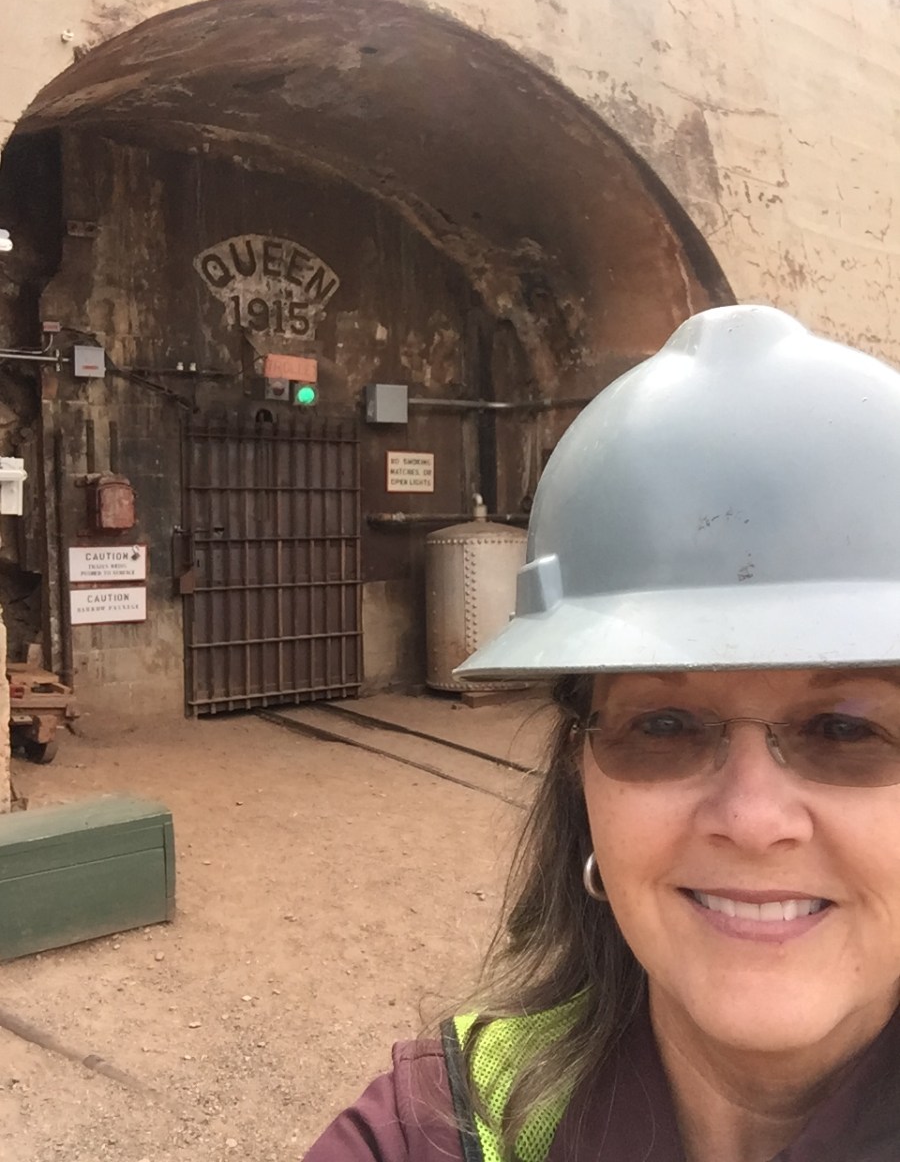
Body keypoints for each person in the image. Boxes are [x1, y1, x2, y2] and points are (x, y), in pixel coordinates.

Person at [304, 305, 900, 1162]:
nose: (753, 818)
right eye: (663, 725)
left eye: (844, 730)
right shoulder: (432, 1132)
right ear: (579, 780)